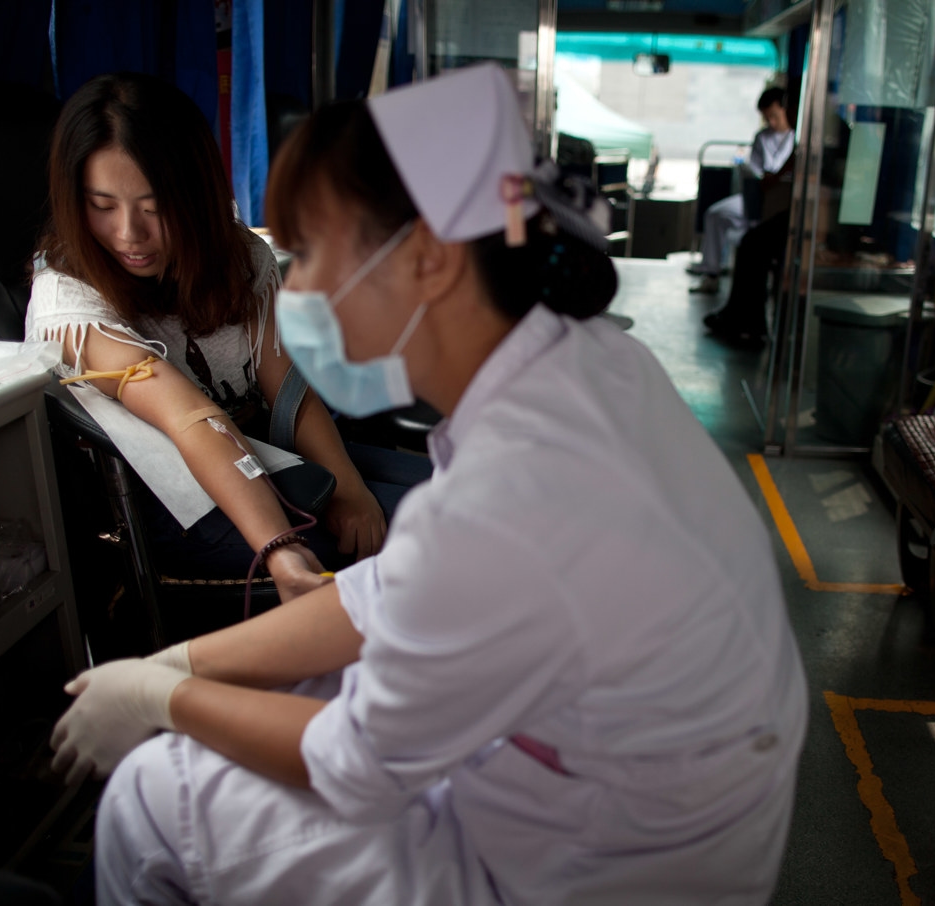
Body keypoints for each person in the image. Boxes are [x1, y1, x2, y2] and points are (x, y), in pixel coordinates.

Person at [50, 63, 808, 905]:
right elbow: (394, 595)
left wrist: (165, 699)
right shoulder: (590, 364)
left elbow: (353, 761)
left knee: (155, 796)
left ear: (430, 262)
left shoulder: (508, 499)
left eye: (315, 255)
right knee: (289, 685)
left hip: (586, 869)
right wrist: (181, 662)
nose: (294, 291)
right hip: (667, 805)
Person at [25, 72, 430, 601]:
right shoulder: (70, 304)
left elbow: (288, 393)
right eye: (102, 206)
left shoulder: (239, 257)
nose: (129, 234)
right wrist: (278, 546)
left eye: (154, 208)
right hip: (179, 500)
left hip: (266, 451)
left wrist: (350, 490)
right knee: (434, 530)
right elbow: (190, 418)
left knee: (460, 491)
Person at [689, 85, 795, 295]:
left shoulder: (796, 138)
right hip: (757, 195)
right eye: (767, 118)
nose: (771, 122)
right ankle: (711, 273)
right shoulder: (762, 138)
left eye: (774, 116)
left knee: (754, 237)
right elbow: (755, 171)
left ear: (785, 109)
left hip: (781, 200)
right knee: (715, 215)